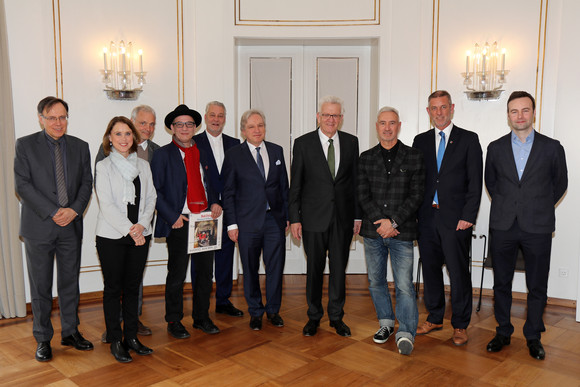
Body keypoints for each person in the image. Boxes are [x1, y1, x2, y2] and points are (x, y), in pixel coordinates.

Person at [485, 91, 567, 360]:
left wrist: (538, 205)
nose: (519, 116)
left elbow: (560, 184)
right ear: (508, 115)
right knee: (502, 283)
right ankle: (503, 331)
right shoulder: (495, 148)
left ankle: (533, 336)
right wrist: (512, 205)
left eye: (524, 110)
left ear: (533, 112)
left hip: (538, 226)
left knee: (537, 285)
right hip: (503, 225)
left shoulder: (552, 147)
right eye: (513, 111)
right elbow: (492, 184)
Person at [14, 96, 93, 362]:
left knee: (70, 283)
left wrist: (73, 210)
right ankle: (43, 338)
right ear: (41, 118)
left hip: (71, 225)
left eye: (62, 117)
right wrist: (53, 211)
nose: (58, 123)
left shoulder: (80, 147)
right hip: (39, 227)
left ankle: (70, 332)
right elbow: (22, 185)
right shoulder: (25, 145)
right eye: (52, 118)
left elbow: (86, 184)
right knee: (41, 287)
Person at [412, 90, 483, 346]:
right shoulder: (419, 141)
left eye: (443, 107)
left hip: (456, 220)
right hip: (427, 218)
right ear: (428, 111)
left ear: (451, 108)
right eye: (434, 108)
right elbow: (416, 182)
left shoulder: (468, 139)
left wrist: (468, 216)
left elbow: (476, 182)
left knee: (458, 272)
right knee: (431, 270)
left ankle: (461, 324)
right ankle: (434, 317)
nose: (439, 112)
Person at [289, 95, 361, 337]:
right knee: (314, 270)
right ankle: (313, 317)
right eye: (327, 114)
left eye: (336, 115)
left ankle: (337, 317)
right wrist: (295, 218)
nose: (331, 119)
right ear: (318, 117)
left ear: (341, 118)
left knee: (339, 270)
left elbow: (355, 183)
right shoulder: (303, 143)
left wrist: (357, 217)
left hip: (342, 218)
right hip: (312, 219)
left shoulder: (352, 142)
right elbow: (295, 185)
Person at [357, 107, 425, 355]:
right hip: (373, 232)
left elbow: (417, 195)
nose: (387, 127)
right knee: (376, 282)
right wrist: (381, 222)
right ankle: (386, 323)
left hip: (402, 232)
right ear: (377, 126)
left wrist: (393, 222)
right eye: (383, 123)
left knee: (405, 285)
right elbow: (362, 195)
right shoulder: (365, 158)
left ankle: (406, 331)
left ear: (399, 126)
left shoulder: (414, 156)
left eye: (392, 123)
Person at [151, 104, 221, 338]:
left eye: (189, 124)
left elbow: (211, 182)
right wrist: (172, 216)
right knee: (177, 274)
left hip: (204, 221)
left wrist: (215, 202)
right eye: (179, 124)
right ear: (172, 127)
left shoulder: (203, 150)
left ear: (195, 127)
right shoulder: (162, 154)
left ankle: (201, 317)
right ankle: (174, 320)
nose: (184, 128)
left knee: (204, 274)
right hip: (180, 221)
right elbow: (155, 191)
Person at [95, 116, 157, 363]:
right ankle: (115, 340)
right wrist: (132, 230)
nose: (123, 139)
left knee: (133, 288)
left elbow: (151, 198)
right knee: (113, 289)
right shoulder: (103, 166)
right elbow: (107, 205)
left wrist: (142, 226)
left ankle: (132, 337)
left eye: (127, 134)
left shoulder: (144, 166)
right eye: (118, 134)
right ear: (110, 138)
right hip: (112, 236)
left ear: (134, 137)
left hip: (140, 235)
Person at [222, 109, 289, 330]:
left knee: (275, 268)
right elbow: (228, 193)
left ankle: (273, 310)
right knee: (250, 269)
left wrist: (287, 216)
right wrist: (232, 224)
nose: (257, 130)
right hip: (247, 223)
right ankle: (256, 311)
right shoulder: (233, 155)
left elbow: (283, 188)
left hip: (274, 222)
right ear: (243, 131)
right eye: (251, 127)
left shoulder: (277, 151)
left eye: (260, 125)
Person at [191, 101, 243, 317]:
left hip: (229, 211)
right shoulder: (194, 142)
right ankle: (200, 304)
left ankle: (223, 300)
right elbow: (194, 177)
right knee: (202, 261)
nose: (216, 119)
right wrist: (213, 200)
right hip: (205, 211)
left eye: (220, 115)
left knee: (225, 258)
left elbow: (238, 177)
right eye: (212, 115)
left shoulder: (235, 143)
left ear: (225, 118)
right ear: (205, 117)